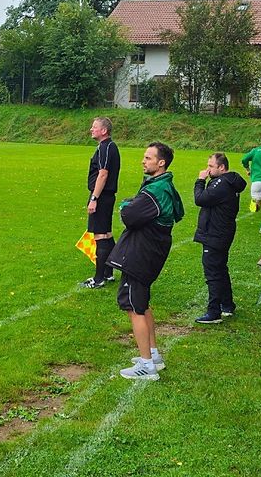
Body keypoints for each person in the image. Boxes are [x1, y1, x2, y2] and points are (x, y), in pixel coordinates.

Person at [107, 142, 184, 380]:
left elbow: (129, 215)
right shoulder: (164, 185)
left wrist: (127, 206)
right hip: (150, 252)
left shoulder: (157, 189)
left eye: (148, 158)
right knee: (143, 303)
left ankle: (146, 365)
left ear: (161, 163)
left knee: (134, 307)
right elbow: (178, 212)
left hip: (141, 255)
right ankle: (153, 354)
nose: (143, 161)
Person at [193, 152, 247, 323]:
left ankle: (213, 312)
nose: (207, 169)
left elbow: (200, 199)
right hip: (222, 232)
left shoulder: (222, 184)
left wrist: (200, 180)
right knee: (221, 269)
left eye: (211, 166)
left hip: (215, 234)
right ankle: (227, 304)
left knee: (213, 273)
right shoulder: (229, 182)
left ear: (221, 167)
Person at [81, 117, 121, 288]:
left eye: (94, 127)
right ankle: (109, 273)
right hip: (105, 196)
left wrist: (94, 198)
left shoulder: (106, 147)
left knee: (100, 235)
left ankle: (99, 279)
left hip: (102, 196)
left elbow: (103, 174)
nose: (91, 129)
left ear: (104, 131)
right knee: (107, 234)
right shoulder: (107, 147)